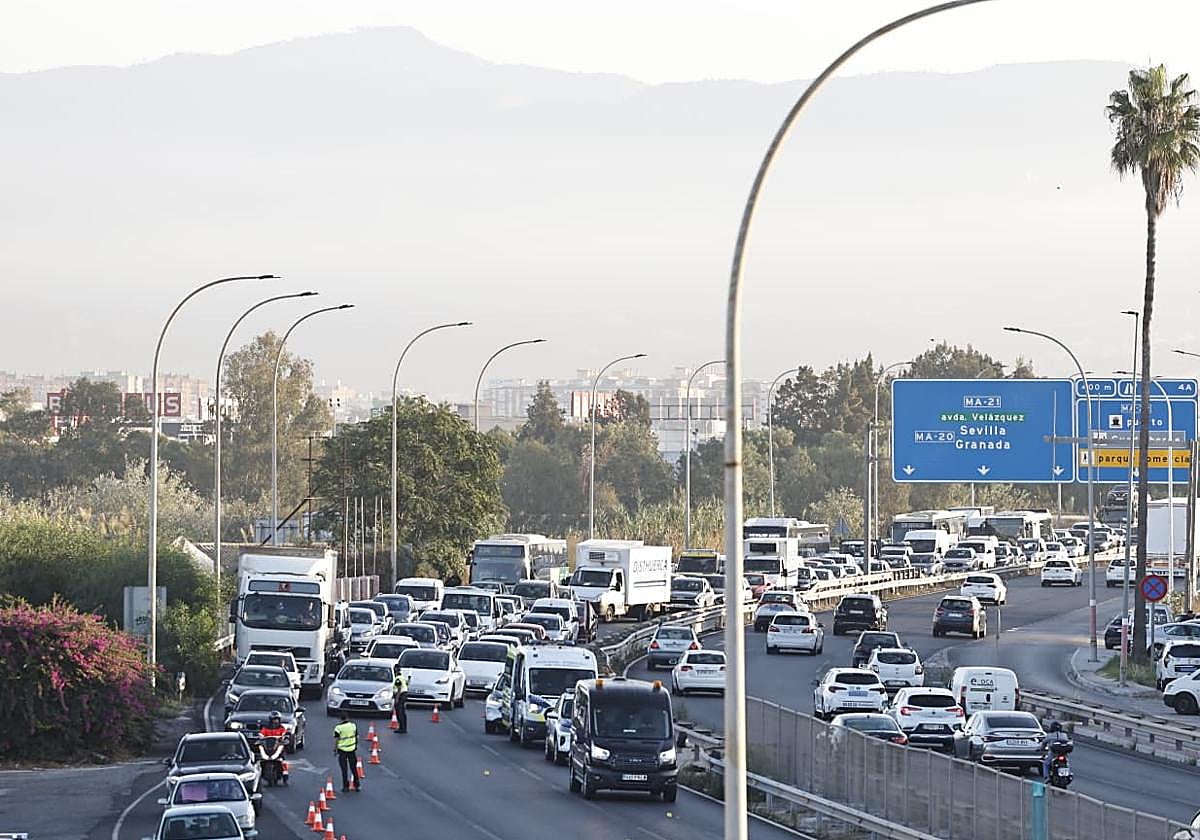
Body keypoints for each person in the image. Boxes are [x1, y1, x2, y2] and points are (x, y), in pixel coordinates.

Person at [333, 712, 361, 792]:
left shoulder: (338, 728)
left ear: (340, 719)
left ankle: (346, 787)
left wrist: (335, 749)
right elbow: (356, 737)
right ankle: (357, 785)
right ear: (348, 718)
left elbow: (337, 740)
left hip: (342, 751)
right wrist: (355, 746)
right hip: (352, 749)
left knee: (344, 769)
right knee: (354, 768)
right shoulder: (353, 726)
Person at [393, 669, 409, 734]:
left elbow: (399, 688)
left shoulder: (397, 678)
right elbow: (407, 683)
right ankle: (403, 728)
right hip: (404, 694)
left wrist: (397, 698)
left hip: (401, 695)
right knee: (402, 712)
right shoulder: (402, 677)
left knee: (399, 712)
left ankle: (401, 728)